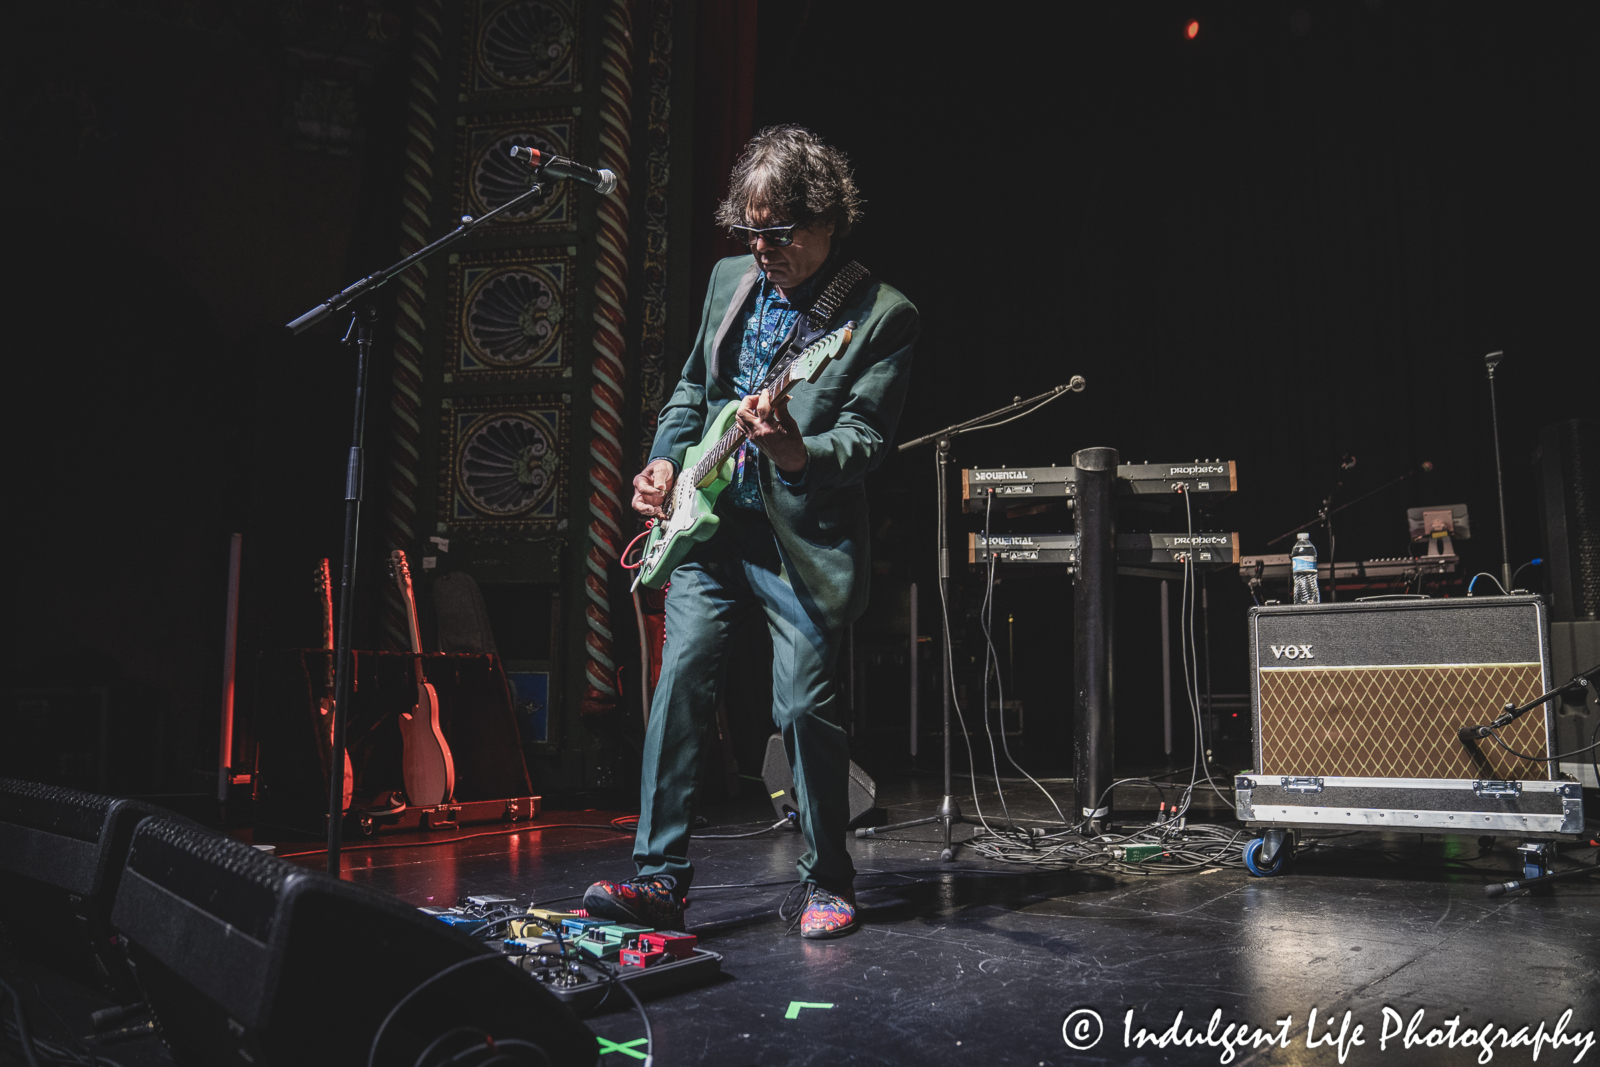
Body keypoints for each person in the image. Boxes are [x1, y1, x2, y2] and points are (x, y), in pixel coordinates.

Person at [582, 126, 918, 939]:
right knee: (680, 684)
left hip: (798, 541)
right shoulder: (730, 278)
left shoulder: (879, 317)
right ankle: (658, 881)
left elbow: (867, 439)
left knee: (802, 705)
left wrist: (794, 448)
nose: (762, 249)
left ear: (828, 222)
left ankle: (828, 880)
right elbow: (695, 391)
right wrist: (666, 463)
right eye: (752, 231)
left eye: (780, 233)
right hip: (709, 529)